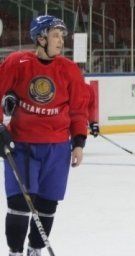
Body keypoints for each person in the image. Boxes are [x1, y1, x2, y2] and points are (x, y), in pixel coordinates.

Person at [0, 15, 89, 256]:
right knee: (19, 205)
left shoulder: (69, 70)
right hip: (23, 146)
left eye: (62, 35)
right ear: (40, 38)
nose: (61, 40)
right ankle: (15, 252)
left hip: (58, 149)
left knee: (48, 206)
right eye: (55, 35)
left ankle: (35, 250)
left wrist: (78, 142)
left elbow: (79, 109)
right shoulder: (16, 63)